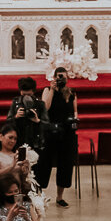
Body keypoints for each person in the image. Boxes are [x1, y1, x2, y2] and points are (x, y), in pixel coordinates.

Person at [41, 68, 79, 203]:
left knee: (65, 164)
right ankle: (40, 196)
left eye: (63, 77)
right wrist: (52, 90)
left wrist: (75, 119)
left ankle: (59, 197)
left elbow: (75, 112)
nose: (61, 79)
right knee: (44, 164)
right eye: (58, 77)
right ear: (54, 77)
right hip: (50, 132)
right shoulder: (47, 90)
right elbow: (45, 107)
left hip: (67, 133)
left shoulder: (71, 92)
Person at [0, 125, 24, 200]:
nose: (13, 141)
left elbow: (21, 178)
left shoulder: (16, 155)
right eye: (10, 137)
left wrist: (25, 169)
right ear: (1, 137)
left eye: (15, 139)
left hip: (15, 192)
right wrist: (11, 167)